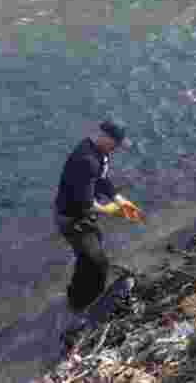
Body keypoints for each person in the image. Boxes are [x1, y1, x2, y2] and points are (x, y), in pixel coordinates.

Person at [54, 120, 144, 313]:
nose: (117, 148)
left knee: (89, 258)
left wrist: (120, 200)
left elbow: (101, 180)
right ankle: (81, 305)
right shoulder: (86, 160)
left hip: (84, 215)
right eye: (116, 143)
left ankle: (78, 296)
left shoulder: (100, 154)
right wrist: (112, 211)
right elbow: (86, 202)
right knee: (98, 264)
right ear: (104, 137)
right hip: (72, 219)